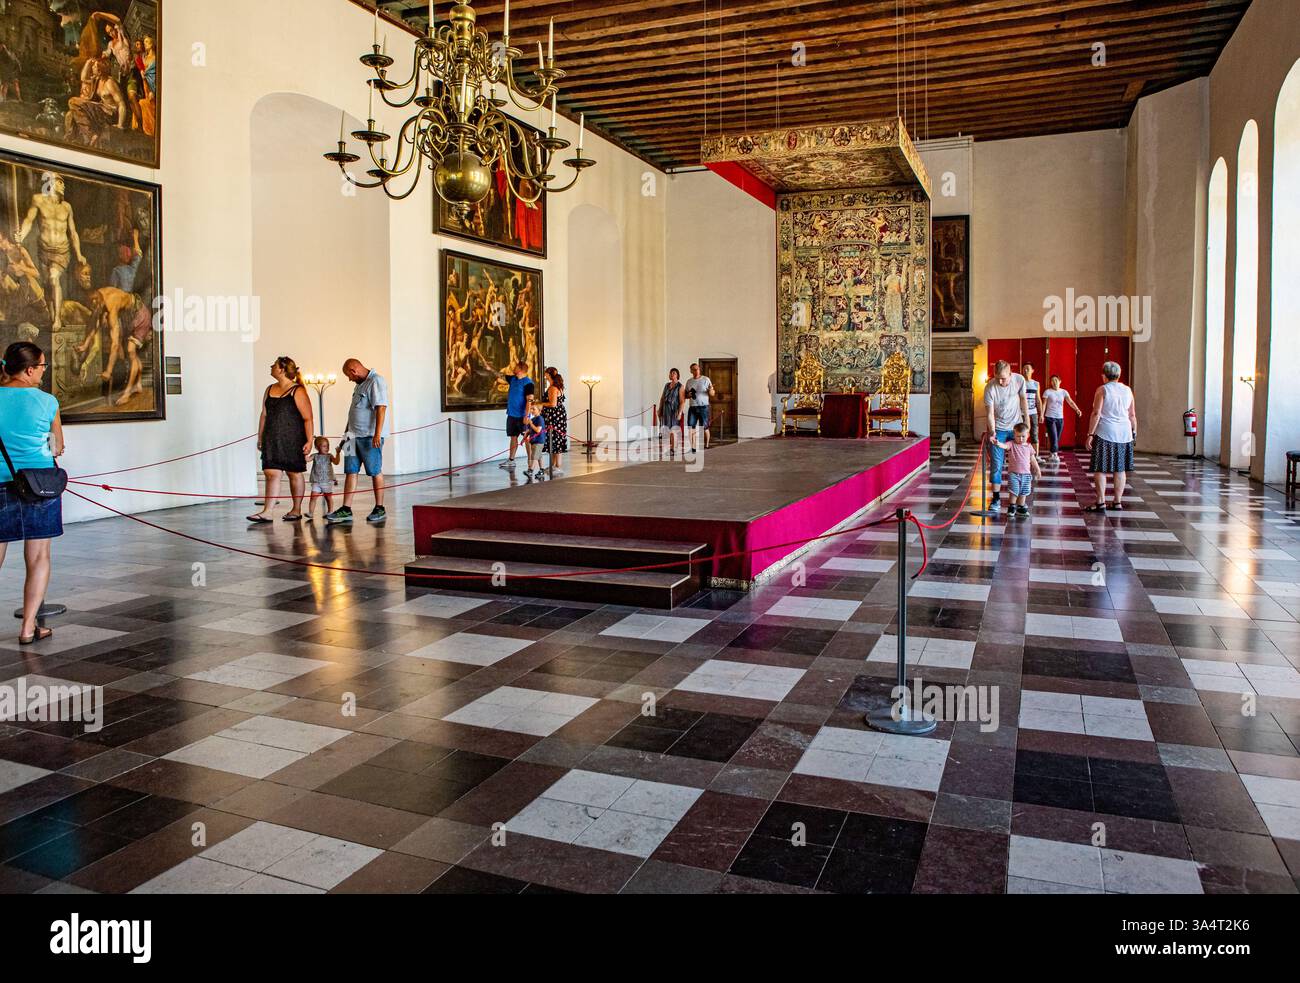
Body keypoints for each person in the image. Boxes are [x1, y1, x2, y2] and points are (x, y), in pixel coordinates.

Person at [0, 343, 64, 645]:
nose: (42, 372)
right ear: (28, 370)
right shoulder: (47, 401)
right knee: (38, 556)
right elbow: (56, 447)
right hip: (39, 485)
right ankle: (27, 629)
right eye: (42, 367)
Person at [249, 356, 313, 523]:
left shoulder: (297, 390)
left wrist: (309, 440)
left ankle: (296, 509)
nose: (271, 366)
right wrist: (260, 436)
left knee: (294, 473)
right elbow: (264, 415)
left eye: (274, 365)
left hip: (292, 439)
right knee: (271, 473)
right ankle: (267, 511)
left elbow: (308, 418)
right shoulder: (269, 389)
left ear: (282, 369)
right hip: (272, 438)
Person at [327, 358, 389, 524]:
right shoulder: (359, 385)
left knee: (375, 470)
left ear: (353, 370)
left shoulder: (376, 381)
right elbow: (352, 413)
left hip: (369, 436)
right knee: (350, 471)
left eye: (348, 375)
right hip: (351, 436)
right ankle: (346, 509)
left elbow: (381, 407)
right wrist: (345, 435)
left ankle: (379, 507)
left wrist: (377, 434)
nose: (349, 379)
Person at [1084, 361, 1137, 512]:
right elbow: (1132, 415)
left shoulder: (1102, 389)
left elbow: (1096, 413)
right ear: (1119, 375)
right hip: (1124, 433)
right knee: (1120, 469)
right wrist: (1134, 433)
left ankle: (1101, 502)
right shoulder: (1128, 390)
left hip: (1105, 432)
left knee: (1100, 468)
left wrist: (1090, 434)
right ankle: (1117, 502)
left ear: (1104, 375)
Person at [982, 359, 1028, 514]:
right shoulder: (990, 387)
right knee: (996, 464)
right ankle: (995, 498)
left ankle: (1019, 502)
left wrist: (1027, 425)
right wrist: (993, 432)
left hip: (1016, 427)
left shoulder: (1019, 380)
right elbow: (989, 414)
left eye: (1003, 378)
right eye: (997, 378)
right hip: (999, 429)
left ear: (1010, 373)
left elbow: (1024, 403)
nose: (1000, 381)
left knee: (1020, 465)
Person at [993, 422, 1041, 519]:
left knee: (1024, 492)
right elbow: (1004, 446)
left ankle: (1020, 507)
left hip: (1026, 474)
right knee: (1014, 491)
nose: (1021, 439)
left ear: (1027, 435)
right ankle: (1011, 506)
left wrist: (1037, 469)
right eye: (1018, 436)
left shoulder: (1029, 447)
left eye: (1023, 436)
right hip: (1014, 474)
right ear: (1014, 435)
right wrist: (998, 443)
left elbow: (1033, 459)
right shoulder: (1011, 444)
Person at [498, 360, 534, 471]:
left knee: (527, 438)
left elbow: (530, 400)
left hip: (522, 416)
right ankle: (511, 460)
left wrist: (526, 416)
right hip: (512, 415)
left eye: (516, 367)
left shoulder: (528, 383)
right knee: (513, 437)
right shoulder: (512, 379)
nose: (514, 368)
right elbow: (499, 376)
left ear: (521, 369)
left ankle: (531, 461)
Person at [1040, 374, 1082, 464]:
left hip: (1060, 418)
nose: (1054, 382)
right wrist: (1041, 415)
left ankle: (1052, 453)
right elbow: (1044, 404)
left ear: (1060, 381)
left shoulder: (1064, 392)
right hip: (1050, 417)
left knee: (1056, 438)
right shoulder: (1047, 392)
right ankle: (1055, 454)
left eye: (1056, 380)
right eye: (1052, 380)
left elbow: (1070, 402)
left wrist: (1077, 409)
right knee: (1054, 436)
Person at [541, 366, 569, 474]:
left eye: (546, 374)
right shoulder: (557, 386)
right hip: (557, 416)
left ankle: (557, 466)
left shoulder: (553, 388)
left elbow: (552, 404)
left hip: (554, 417)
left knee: (556, 440)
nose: (545, 376)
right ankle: (553, 465)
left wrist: (540, 403)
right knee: (555, 440)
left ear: (549, 374)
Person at [306, 436, 340, 520]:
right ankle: (310, 513)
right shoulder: (315, 456)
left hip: (327, 482)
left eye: (327, 446)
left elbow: (336, 462)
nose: (327, 448)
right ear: (317, 447)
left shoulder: (329, 456)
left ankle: (330, 512)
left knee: (328, 497)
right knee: (313, 497)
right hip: (317, 481)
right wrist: (306, 451)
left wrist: (338, 453)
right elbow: (307, 459)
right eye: (324, 446)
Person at [685, 363, 716, 451]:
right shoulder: (689, 381)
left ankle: (706, 445)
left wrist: (710, 390)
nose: (696, 371)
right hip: (693, 407)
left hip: (704, 407)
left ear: (699, 369)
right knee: (691, 427)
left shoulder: (706, 379)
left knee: (705, 427)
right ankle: (693, 447)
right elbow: (686, 395)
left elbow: (712, 394)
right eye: (694, 369)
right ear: (691, 371)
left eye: (697, 369)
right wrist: (689, 395)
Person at [658, 368, 685, 458]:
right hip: (666, 409)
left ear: (677, 375)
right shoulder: (666, 385)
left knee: (673, 430)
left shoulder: (680, 386)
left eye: (674, 373)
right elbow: (662, 398)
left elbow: (682, 401)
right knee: (668, 430)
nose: (672, 374)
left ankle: (674, 449)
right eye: (671, 373)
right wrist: (660, 409)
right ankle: (671, 448)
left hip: (674, 410)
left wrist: (680, 412)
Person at [523, 393, 547, 481]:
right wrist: (526, 435)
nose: (532, 410)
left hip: (539, 441)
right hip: (533, 440)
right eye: (531, 409)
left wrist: (531, 424)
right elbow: (530, 430)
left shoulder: (540, 419)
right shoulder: (533, 419)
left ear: (539, 410)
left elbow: (538, 430)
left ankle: (530, 470)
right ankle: (541, 470)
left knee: (534, 457)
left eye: (534, 409)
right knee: (539, 456)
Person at [1021, 362, 1041, 452]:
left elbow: (1038, 399)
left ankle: (1035, 456)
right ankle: (1021, 454)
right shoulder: (1020, 382)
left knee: (1034, 434)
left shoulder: (1036, 384)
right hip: (1021, 412)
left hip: (1033, 412)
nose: (1025, 370)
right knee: (1020, 433)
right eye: (1024, 368)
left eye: (1028, 369)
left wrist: (1041, 414)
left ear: (1032, 371)